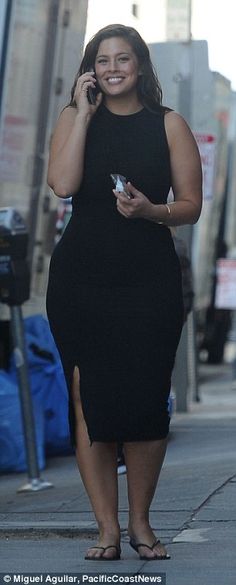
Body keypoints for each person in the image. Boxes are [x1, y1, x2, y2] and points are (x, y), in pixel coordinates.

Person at [46, 24, 202, 561]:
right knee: (89, 398)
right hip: (81, 279)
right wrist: (83, 113)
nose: (114, 69)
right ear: (92, 69)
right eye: (103, 60)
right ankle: (107, 530)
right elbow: (64, 185)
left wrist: (149, 211)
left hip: (148, 280)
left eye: (124, 59)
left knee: (144, 398)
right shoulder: (72, 119)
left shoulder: (169, 124)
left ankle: (141, 524)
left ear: (140, 66)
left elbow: (190, 206)